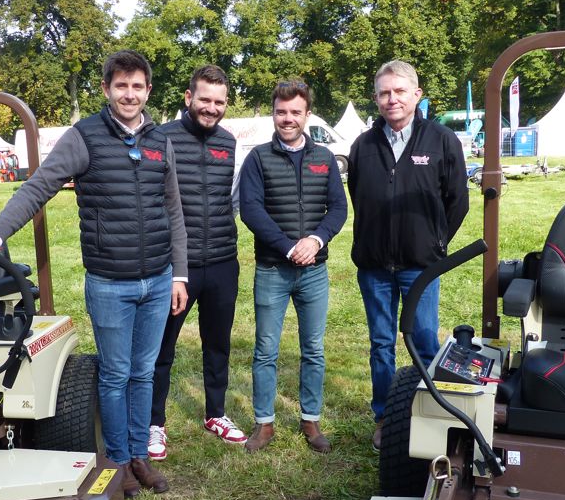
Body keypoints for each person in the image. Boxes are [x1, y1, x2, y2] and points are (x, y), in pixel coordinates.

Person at [0, 50, 188, 499]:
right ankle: (119, 461)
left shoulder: (160, 140)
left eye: (137, 86)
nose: (130, 94)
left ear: (148, 91)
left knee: (143, 372)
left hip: (158, 279)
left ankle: (139, 453)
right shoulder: (83, 137)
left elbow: (173, 208)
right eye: (121, 85)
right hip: (109, 281)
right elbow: (38, 187)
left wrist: (178, 273)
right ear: (106, 89)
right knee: (115, 373)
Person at [346, 60, 469, 451]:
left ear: (417, 95)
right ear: (376, 98)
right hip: (375, 268)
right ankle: (384, 415)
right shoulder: (363, 146)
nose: (391, 99)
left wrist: (434, 243)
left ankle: (430, 413)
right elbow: (358, 197)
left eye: (399, 91)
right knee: (381, 344)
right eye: (384, 92)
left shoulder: (442, 141)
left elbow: (458, 201)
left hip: (420, 266)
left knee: (425, 340)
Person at [239, 80, 348, 453]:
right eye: (281, 112)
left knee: (313, 349)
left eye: (295, 112)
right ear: (273, 112)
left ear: (306, 114)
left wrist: (315, 240)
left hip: (314, 272)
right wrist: (288, 247)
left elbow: (338, 208)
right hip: (272, 269)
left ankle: (310, 420)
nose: (287, 119)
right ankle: (264, 423)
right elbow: (251, 210)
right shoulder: (258, 159)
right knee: (266, 349)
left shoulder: (324, 159)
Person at [148, 65, 246, 460]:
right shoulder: (163, 137)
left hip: (222, 260)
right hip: (176, 266)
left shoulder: (228, 141)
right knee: (162, 347)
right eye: (204, 99)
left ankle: (216, 414)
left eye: (219, 102)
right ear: (188, 98)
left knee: (217, 343)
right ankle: (154, 423)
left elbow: (229, 198)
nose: (211, 108)